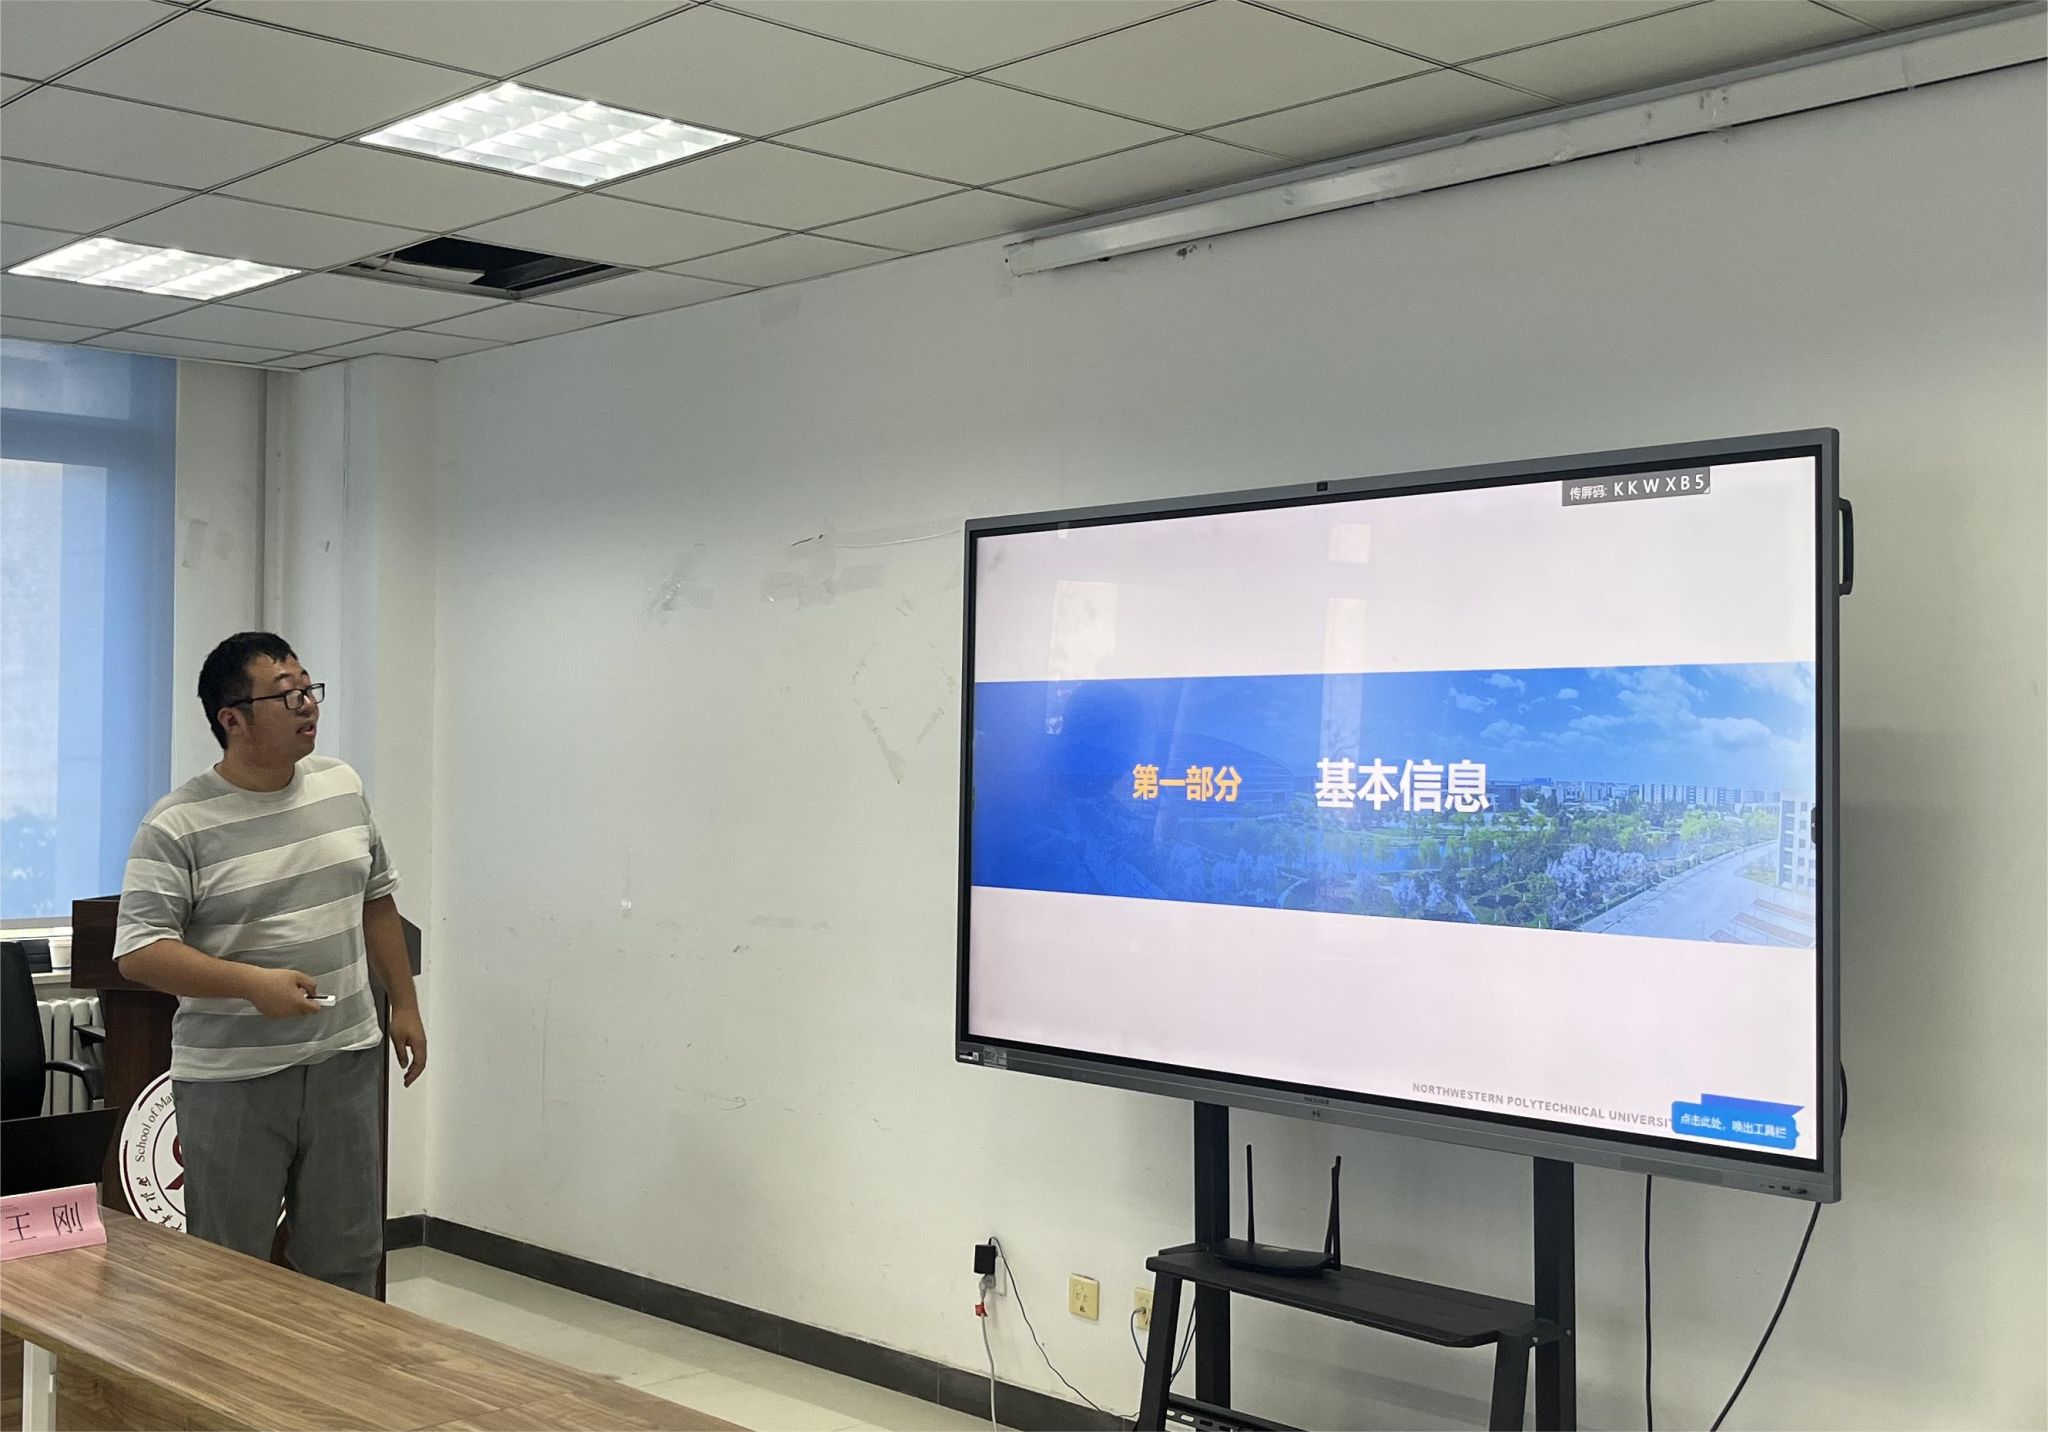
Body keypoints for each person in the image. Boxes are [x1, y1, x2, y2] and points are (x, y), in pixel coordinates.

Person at [114, 631, 426, 1296]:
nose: (307, 705)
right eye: (286, 695)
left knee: (348, 1258)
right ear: (232, 719)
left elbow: (377, 899)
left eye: (309, 689)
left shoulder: (341, 785)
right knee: (231, 1273)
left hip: (345, 1059)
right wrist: (251, 985)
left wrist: (404, 1003)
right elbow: (140, 951)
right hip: (234, 1077)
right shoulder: (176, 824)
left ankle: (336, 1370)